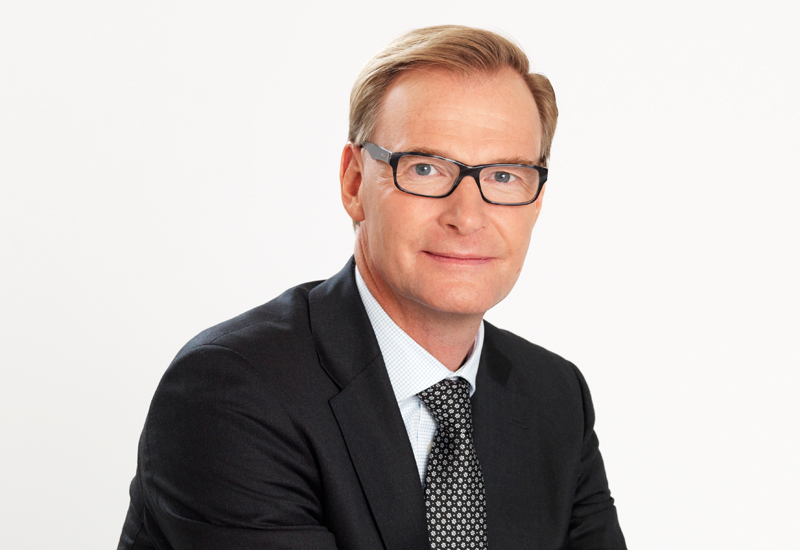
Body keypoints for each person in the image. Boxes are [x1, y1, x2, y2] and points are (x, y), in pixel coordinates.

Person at [118, 25, 626, 550]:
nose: (467, 217)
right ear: (354, 182)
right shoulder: (236, 390)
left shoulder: (555, 397)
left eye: (504, 176)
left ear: (537, 200)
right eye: (425, 168)